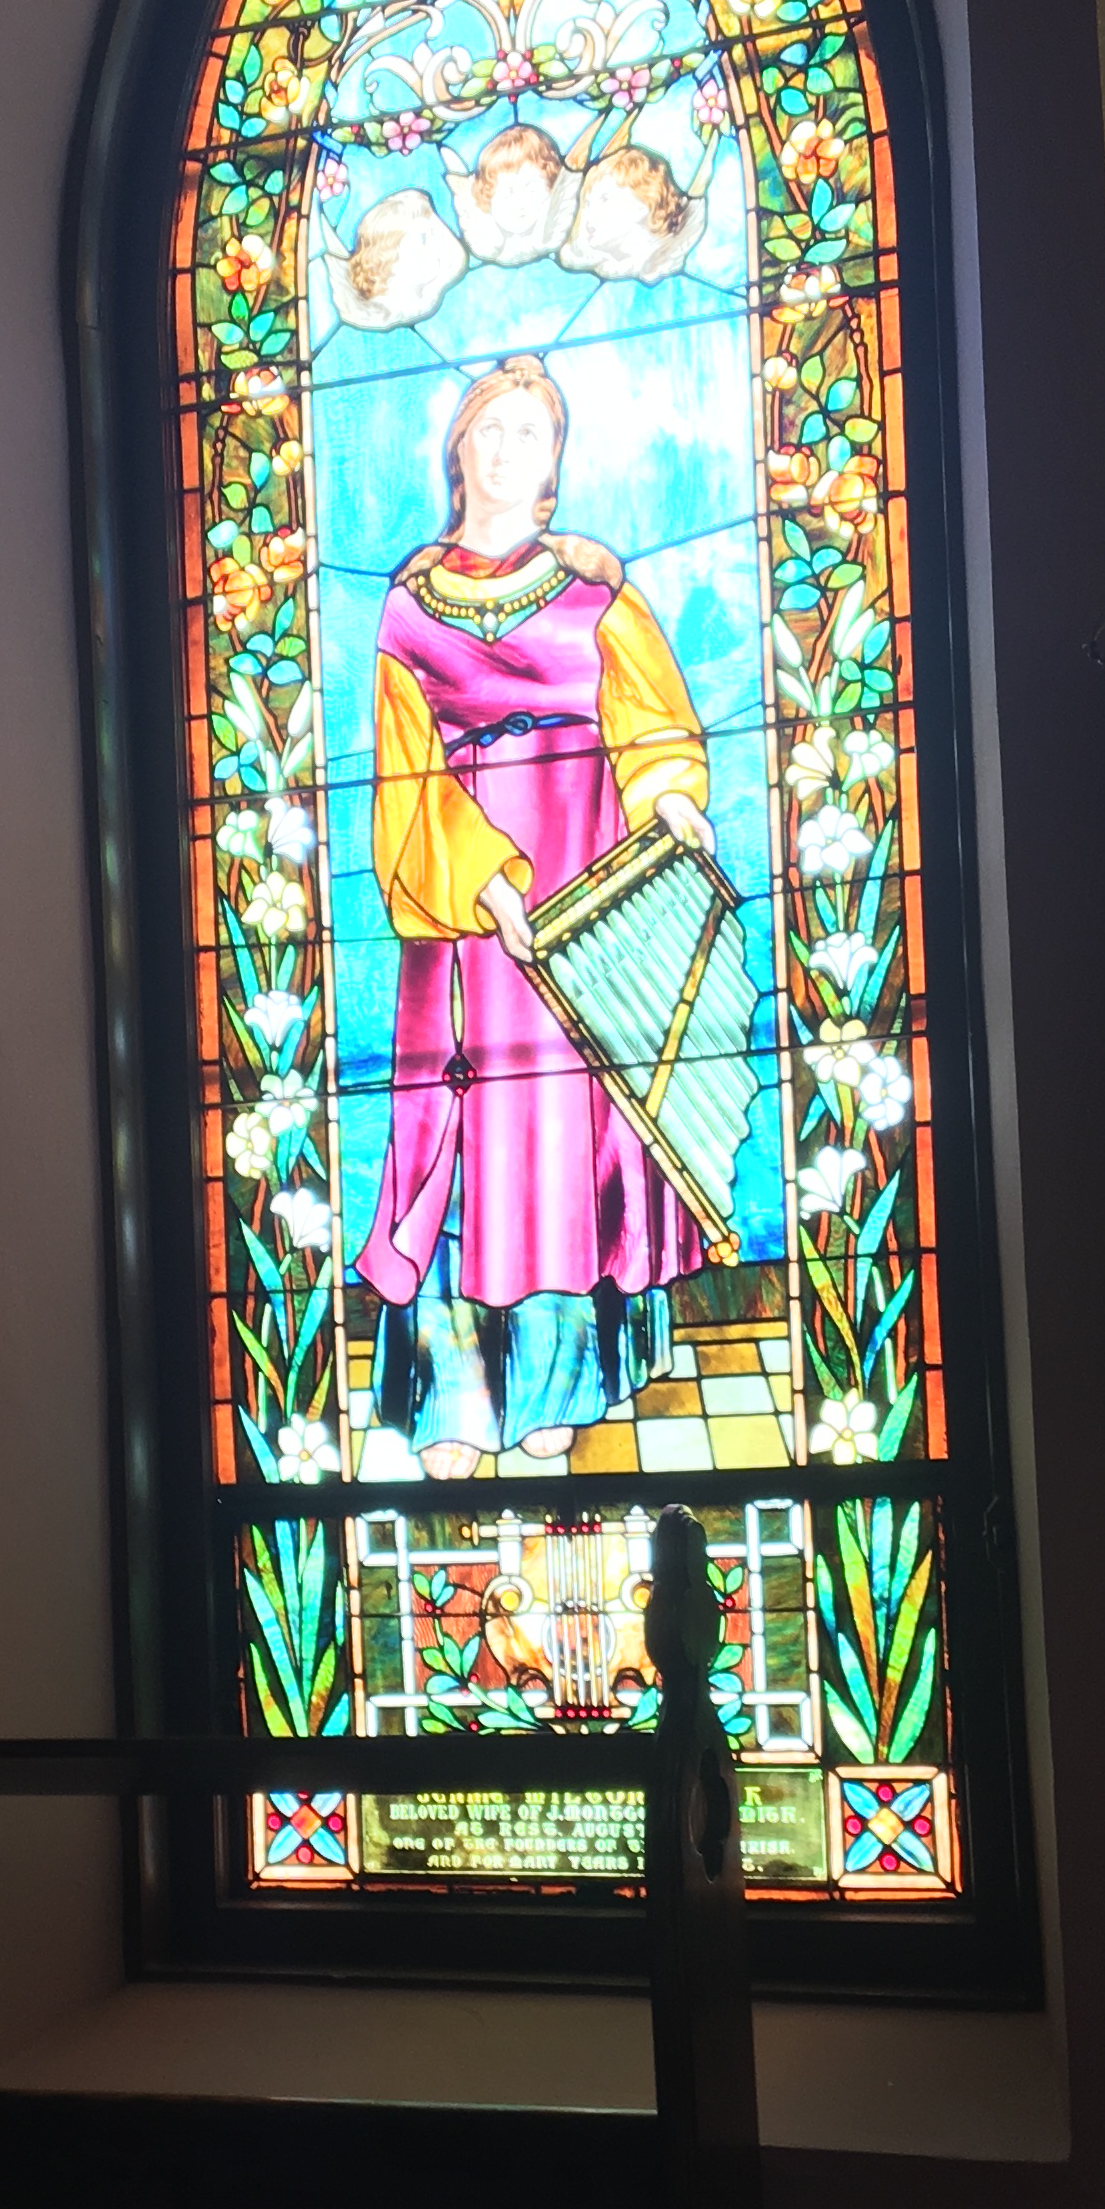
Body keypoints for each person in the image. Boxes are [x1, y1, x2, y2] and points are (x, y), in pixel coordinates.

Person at [357, 353, 717, 1472]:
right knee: (470, 1140)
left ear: (555, 469)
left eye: (532, 434)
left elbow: (653, 728)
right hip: (472, 921)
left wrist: (671, 807)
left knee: (569, 1139)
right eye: (492, 428)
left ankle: (565, 1384)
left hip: (589, 890)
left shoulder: (597, 596)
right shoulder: (411, 611)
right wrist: (490, 885)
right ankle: (457, 1402)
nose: (509, 450)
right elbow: (404, 784)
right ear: (456, 448)